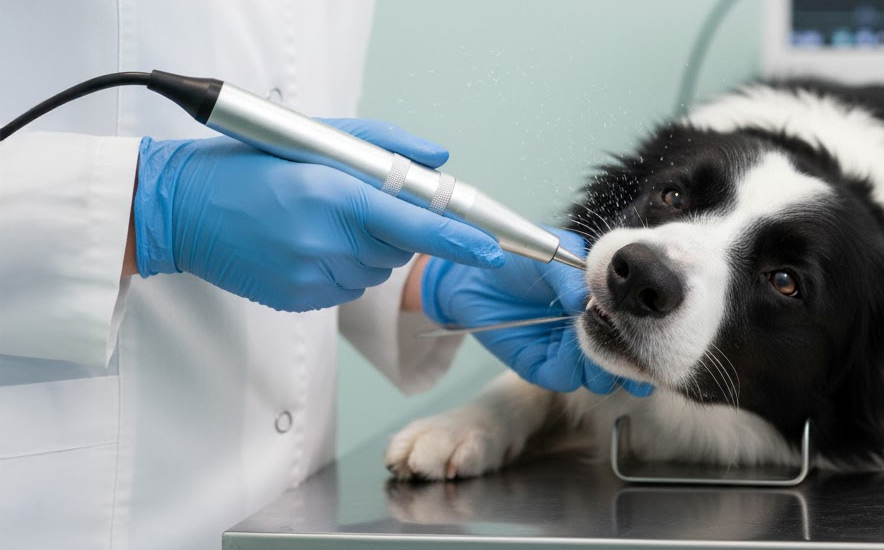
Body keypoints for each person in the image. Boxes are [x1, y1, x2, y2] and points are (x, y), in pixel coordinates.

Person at [0, 2, 649, 548]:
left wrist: (429, 276)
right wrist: (141, 206)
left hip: (290, 508)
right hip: (60, 509)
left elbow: (294, 194)